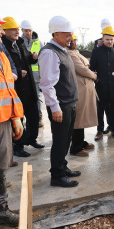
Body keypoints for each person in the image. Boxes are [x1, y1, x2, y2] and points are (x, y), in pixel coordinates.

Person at [39, 16, 80, 187]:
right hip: (60, 106)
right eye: (66, 35)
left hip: (69, 103)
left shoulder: (62, 49)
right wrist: (55, 108)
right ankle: (57, 175)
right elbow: (47, 84)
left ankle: (62, 167)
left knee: (67, 138)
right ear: (55, 34)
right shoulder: (49, 53)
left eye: (70, 35)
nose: (70, 38)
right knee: (60, 141)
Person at [1, 17, 44, 158]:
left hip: (29, 86)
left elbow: (27, 59)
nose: (17, 32)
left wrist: (33, 58)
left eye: (17, 29)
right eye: (13, 29)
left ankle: (32, 139)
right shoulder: (4, 46)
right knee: (18, 119)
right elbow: (8, 67)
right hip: (16, 88)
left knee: (32, 116)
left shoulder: (19, 43)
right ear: (5, 31)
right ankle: (18, 146)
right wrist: (19, 72)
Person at [0, 17, 24, 227]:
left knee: (2, 164)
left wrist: (15, 117)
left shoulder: (3, 56)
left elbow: (7, 89)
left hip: (3, 119)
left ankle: (2, 208)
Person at [68, 35, 98, 157]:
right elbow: (81, 69)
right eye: (72, 40)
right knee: (79, 118)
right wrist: (93, 75)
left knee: (82, 118)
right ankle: (75, 147)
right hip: (79, 89)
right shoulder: (70, 54)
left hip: (84, 88)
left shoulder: (75, 52)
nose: (74, 42)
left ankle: (81, 142)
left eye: (75, 40)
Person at [91, 26, 114, 141]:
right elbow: (92, 68)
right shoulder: (96, 51)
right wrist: (96, 78)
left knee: (113, 110)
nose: (109, 41)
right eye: (107, 39)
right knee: (100, 110)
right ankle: (99, 130)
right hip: (101, 86)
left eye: (111, 39)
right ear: (102, 39)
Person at [20, 20, 44, 127]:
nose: (28, 33)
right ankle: (23, 118)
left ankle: (38, 117)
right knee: (24, 97)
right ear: (22, 30)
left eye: (29, 31)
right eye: (26, 31)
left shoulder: (39, 43)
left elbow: (43, 60)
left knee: (37, 97)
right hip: (24, 75)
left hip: (36, 76)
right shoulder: (19, 42)